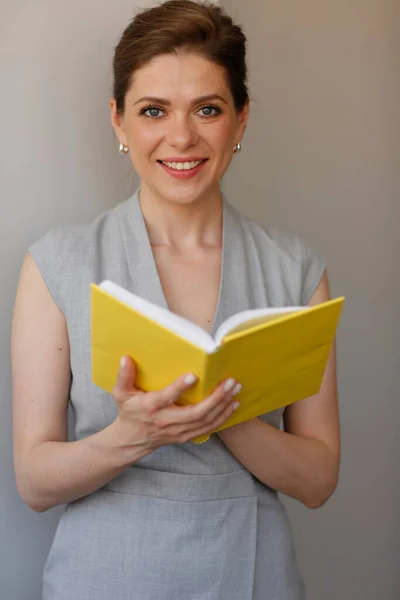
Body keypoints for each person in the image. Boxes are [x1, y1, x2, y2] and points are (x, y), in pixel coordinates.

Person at [11, 1, 340, 598]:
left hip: (252, 574)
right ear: (118, 121)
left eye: (207, 110)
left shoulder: (294, 269)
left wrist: (225, 416)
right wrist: (131, 436)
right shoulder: (57, 264)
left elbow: (318, 480)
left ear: (240, 120)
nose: (181, 137)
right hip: (102, 578)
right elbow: (33, 482)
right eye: (153, 110)